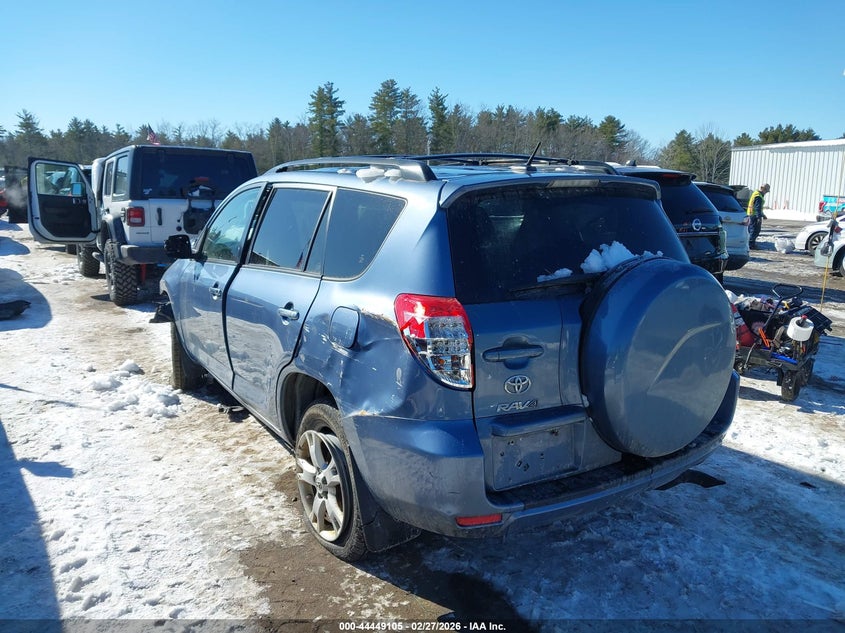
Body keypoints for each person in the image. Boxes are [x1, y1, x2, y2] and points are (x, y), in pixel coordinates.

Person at [747, 183, 770, 249]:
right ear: (763, 189)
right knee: (755, 230)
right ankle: (751, 244)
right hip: (754, 216)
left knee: (752, 230)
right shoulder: (758, 196)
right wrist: (759, 217)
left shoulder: (756, 193)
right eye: (766, 191)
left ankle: (750, 243)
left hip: (751, 214)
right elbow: (757, 208)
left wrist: (763, 215)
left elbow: (758, 207)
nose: (766, 193)